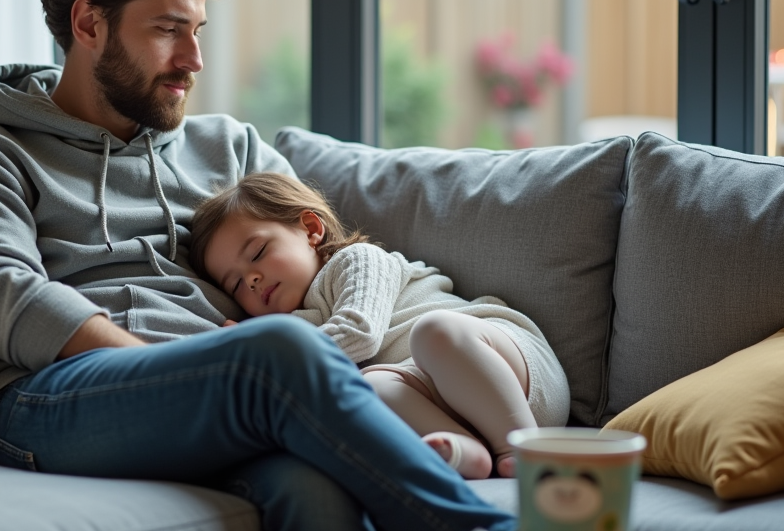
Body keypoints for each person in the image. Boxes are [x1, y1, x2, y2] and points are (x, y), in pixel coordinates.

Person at [0, 0, 517, 531]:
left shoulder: (232, 148)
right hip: (48, 403)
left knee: (318, 495)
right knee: (279, 352)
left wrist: (217, 372)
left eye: (196, 31)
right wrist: (185, 366)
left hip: (221, 394)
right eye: (169, 31)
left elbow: (317, 272)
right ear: (88, 24)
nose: (193, 60)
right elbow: (3, 295)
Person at [189, 172, 571, 480]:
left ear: (310, 228)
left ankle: (525, 449)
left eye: (257, 253)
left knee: (434, 333)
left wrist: (266, 353)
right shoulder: (293, 325)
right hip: (443, 399)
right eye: (235, 284)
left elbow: (359, 332)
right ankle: (464, 450)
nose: (252, 279)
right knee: (372, 386)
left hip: (511, 371)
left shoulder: (356, 261)